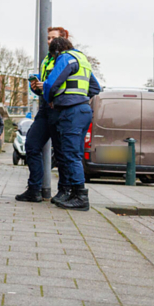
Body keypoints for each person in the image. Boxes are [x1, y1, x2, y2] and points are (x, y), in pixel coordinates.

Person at [16, 29, 101, 209]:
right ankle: (35, 189)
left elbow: (54, 84)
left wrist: (66, 97)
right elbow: (90, 88)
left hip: (63, 108)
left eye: (53, 38)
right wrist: (39, 88)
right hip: (55, 107)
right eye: (48, 38)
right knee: (34, 145)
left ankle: (69, 192)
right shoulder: (59, 60)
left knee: (66, 153)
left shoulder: (66, 58)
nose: (49, 41)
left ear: (62, 41)